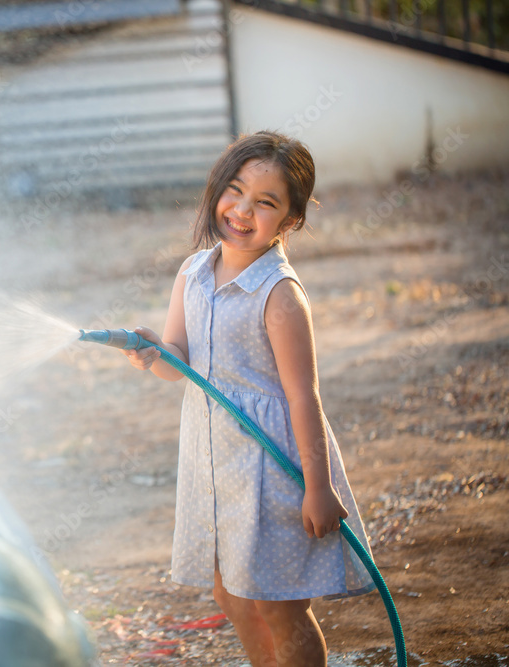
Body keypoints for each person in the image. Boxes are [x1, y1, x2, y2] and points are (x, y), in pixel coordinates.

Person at [122, 131, 375, 667]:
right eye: (235, 190)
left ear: (289, 221)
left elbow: (303, 397)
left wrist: (319, 487)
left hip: (270, 469)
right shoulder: (192, 273)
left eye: (266, 202)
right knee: (229, 594)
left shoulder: (278, 293)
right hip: (214, 465)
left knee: (279, 604)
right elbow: (179, 365)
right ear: (217, 189)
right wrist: (154, 352)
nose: (242, 210)